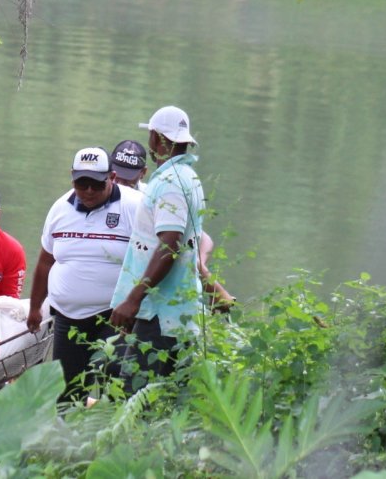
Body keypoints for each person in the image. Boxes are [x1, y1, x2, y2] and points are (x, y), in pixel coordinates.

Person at [27, 147, 141, 401]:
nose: (89, 191)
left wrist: (135, 302)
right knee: (66, 390)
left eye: (97, 184)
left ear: (111, 177)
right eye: (82, 183)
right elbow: (45, 261)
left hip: (115, 314)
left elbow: (156, 255)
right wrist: (35, 307)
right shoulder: (59, 209)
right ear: (72, 178)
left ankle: (112, 435)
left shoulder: (134, 206)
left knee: (112, 374)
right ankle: (64, 438)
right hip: (68, 316)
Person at [109, 106, 206, 383]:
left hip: (160, 317)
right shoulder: (189, 177)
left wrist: (134, 298)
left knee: (137, 399)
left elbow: (170, 246)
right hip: (175, 314)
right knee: (163, 402)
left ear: (156, 139)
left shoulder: (170, 183)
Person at [112, 138, 234, 314]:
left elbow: (203, 239)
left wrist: (195, 262)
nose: (121, 185)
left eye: (128, 179)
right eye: (118, 178)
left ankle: (216, 291)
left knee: (179, 247)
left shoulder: (151, 194)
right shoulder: (97, 193)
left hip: (150, 285)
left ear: (142, 173)